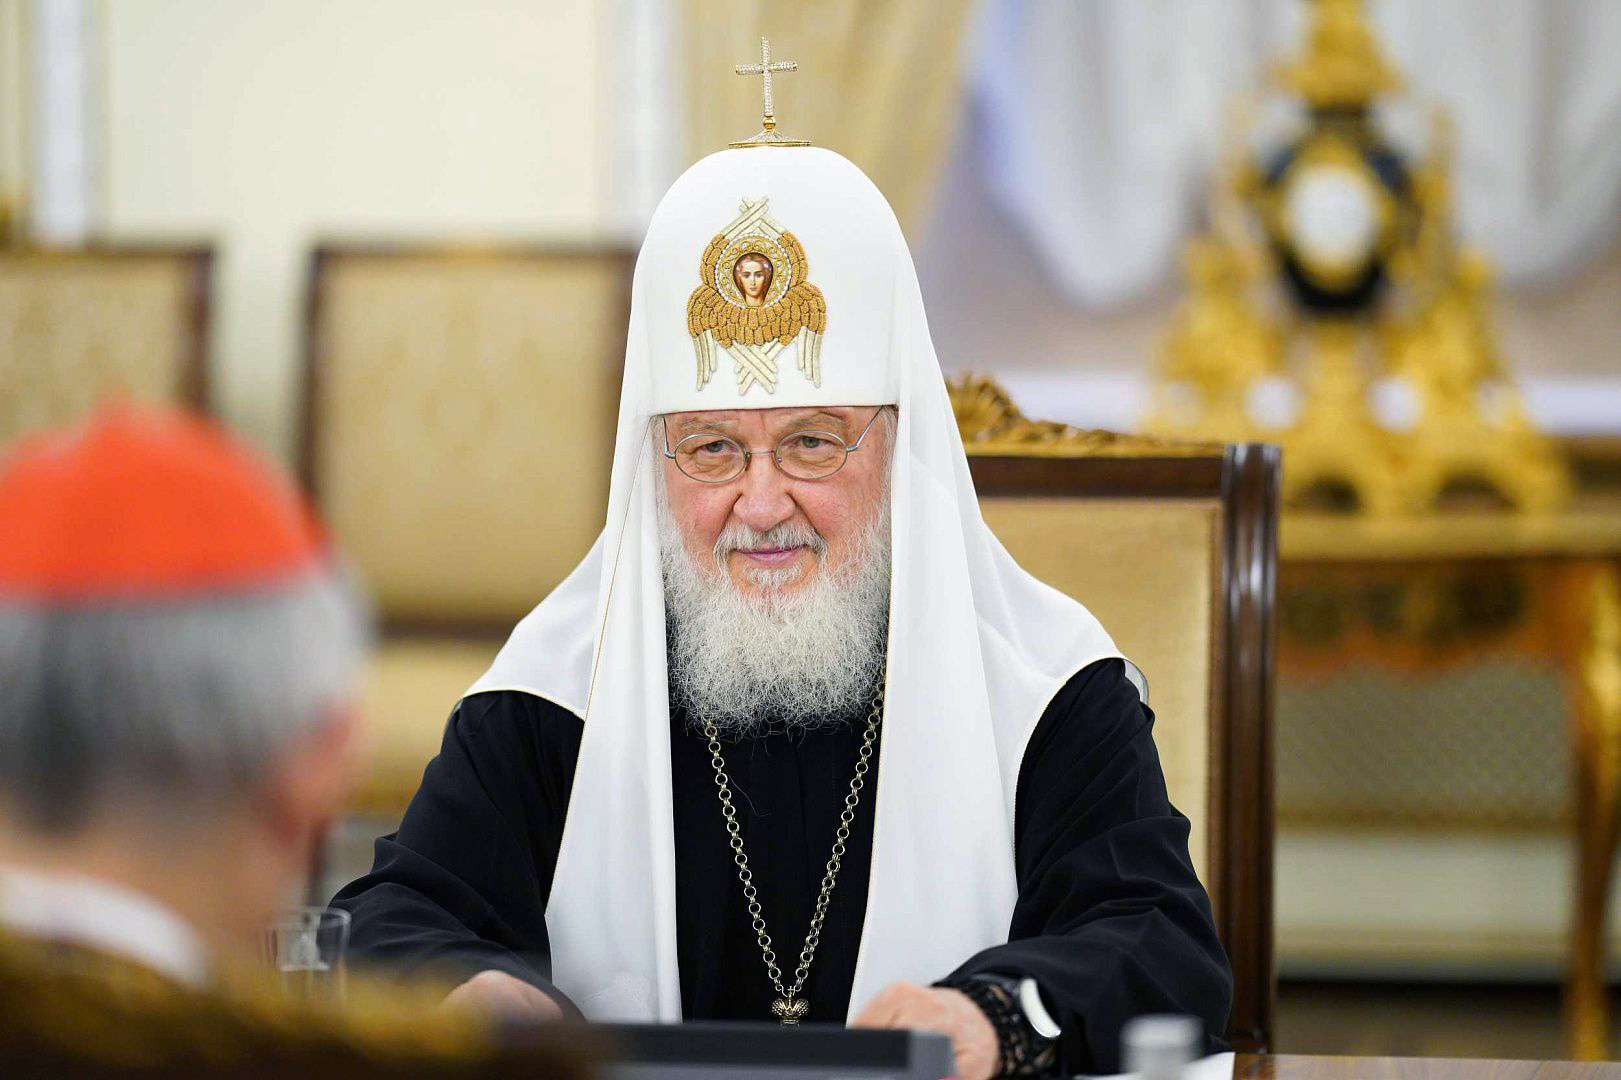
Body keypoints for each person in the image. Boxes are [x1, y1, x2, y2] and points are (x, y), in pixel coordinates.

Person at [335, 142, 1231, 1078]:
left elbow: (1159, 946)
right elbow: (386, 919)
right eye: (712, 450)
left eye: (811, 443)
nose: (760, 507)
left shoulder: (1040, 685)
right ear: (652, 463)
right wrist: (469, 986)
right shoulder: (560, 688)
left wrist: (995, 1017)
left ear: (896, 447)